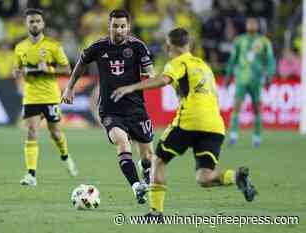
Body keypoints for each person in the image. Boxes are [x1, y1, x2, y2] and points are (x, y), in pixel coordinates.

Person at [111, 28, 257, 218]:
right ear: (189, 45)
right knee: (204, 177)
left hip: (190, 120)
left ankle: (156, 213)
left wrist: (131, 87)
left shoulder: (178, 63)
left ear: (168, 46)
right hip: (215, 125)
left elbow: (163, 80)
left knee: (158, 160)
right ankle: (235, 177)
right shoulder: (205, 66)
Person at [62, 9, 155, 204]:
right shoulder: (99, 46)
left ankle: (145, 167)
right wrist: (69, 88)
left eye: (122, 26)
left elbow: (150, 71)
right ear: (109, 26)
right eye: (115, 26)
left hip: (136, 108)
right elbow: (81, 63)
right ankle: (136, 186)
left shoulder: (138, 46)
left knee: (147, 155)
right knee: (121, 142)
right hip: (110, 109)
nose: (118, 30)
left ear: (128, 27)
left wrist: (153, 76)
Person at [13, 8, 78, 186]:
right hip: (31, 97)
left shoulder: (53, 46)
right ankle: (31, 175)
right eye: (31, 21)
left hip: (50, 96)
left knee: (55, 133)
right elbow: (17, 69)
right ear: (26, 24)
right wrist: (18, 76)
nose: (34, 24)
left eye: (37, 21)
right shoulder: (20, 47)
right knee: (32, 131)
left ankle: (66, 157)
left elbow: (67, 70)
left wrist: (48, 69)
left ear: (43, 24)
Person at [225, 17, 276, 147]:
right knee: (236, 105)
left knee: (257, 108)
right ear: (246, 25)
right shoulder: (239, 41)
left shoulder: (264, 42)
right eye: (249, 23)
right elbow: (232, 60)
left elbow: (270, 60)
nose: (251, 25)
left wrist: (270, 75)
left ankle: (256, 137)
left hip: (257, 80)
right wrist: (228, 76)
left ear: (257, 26)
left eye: (254, 23)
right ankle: (233, 136)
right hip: (241, 79)